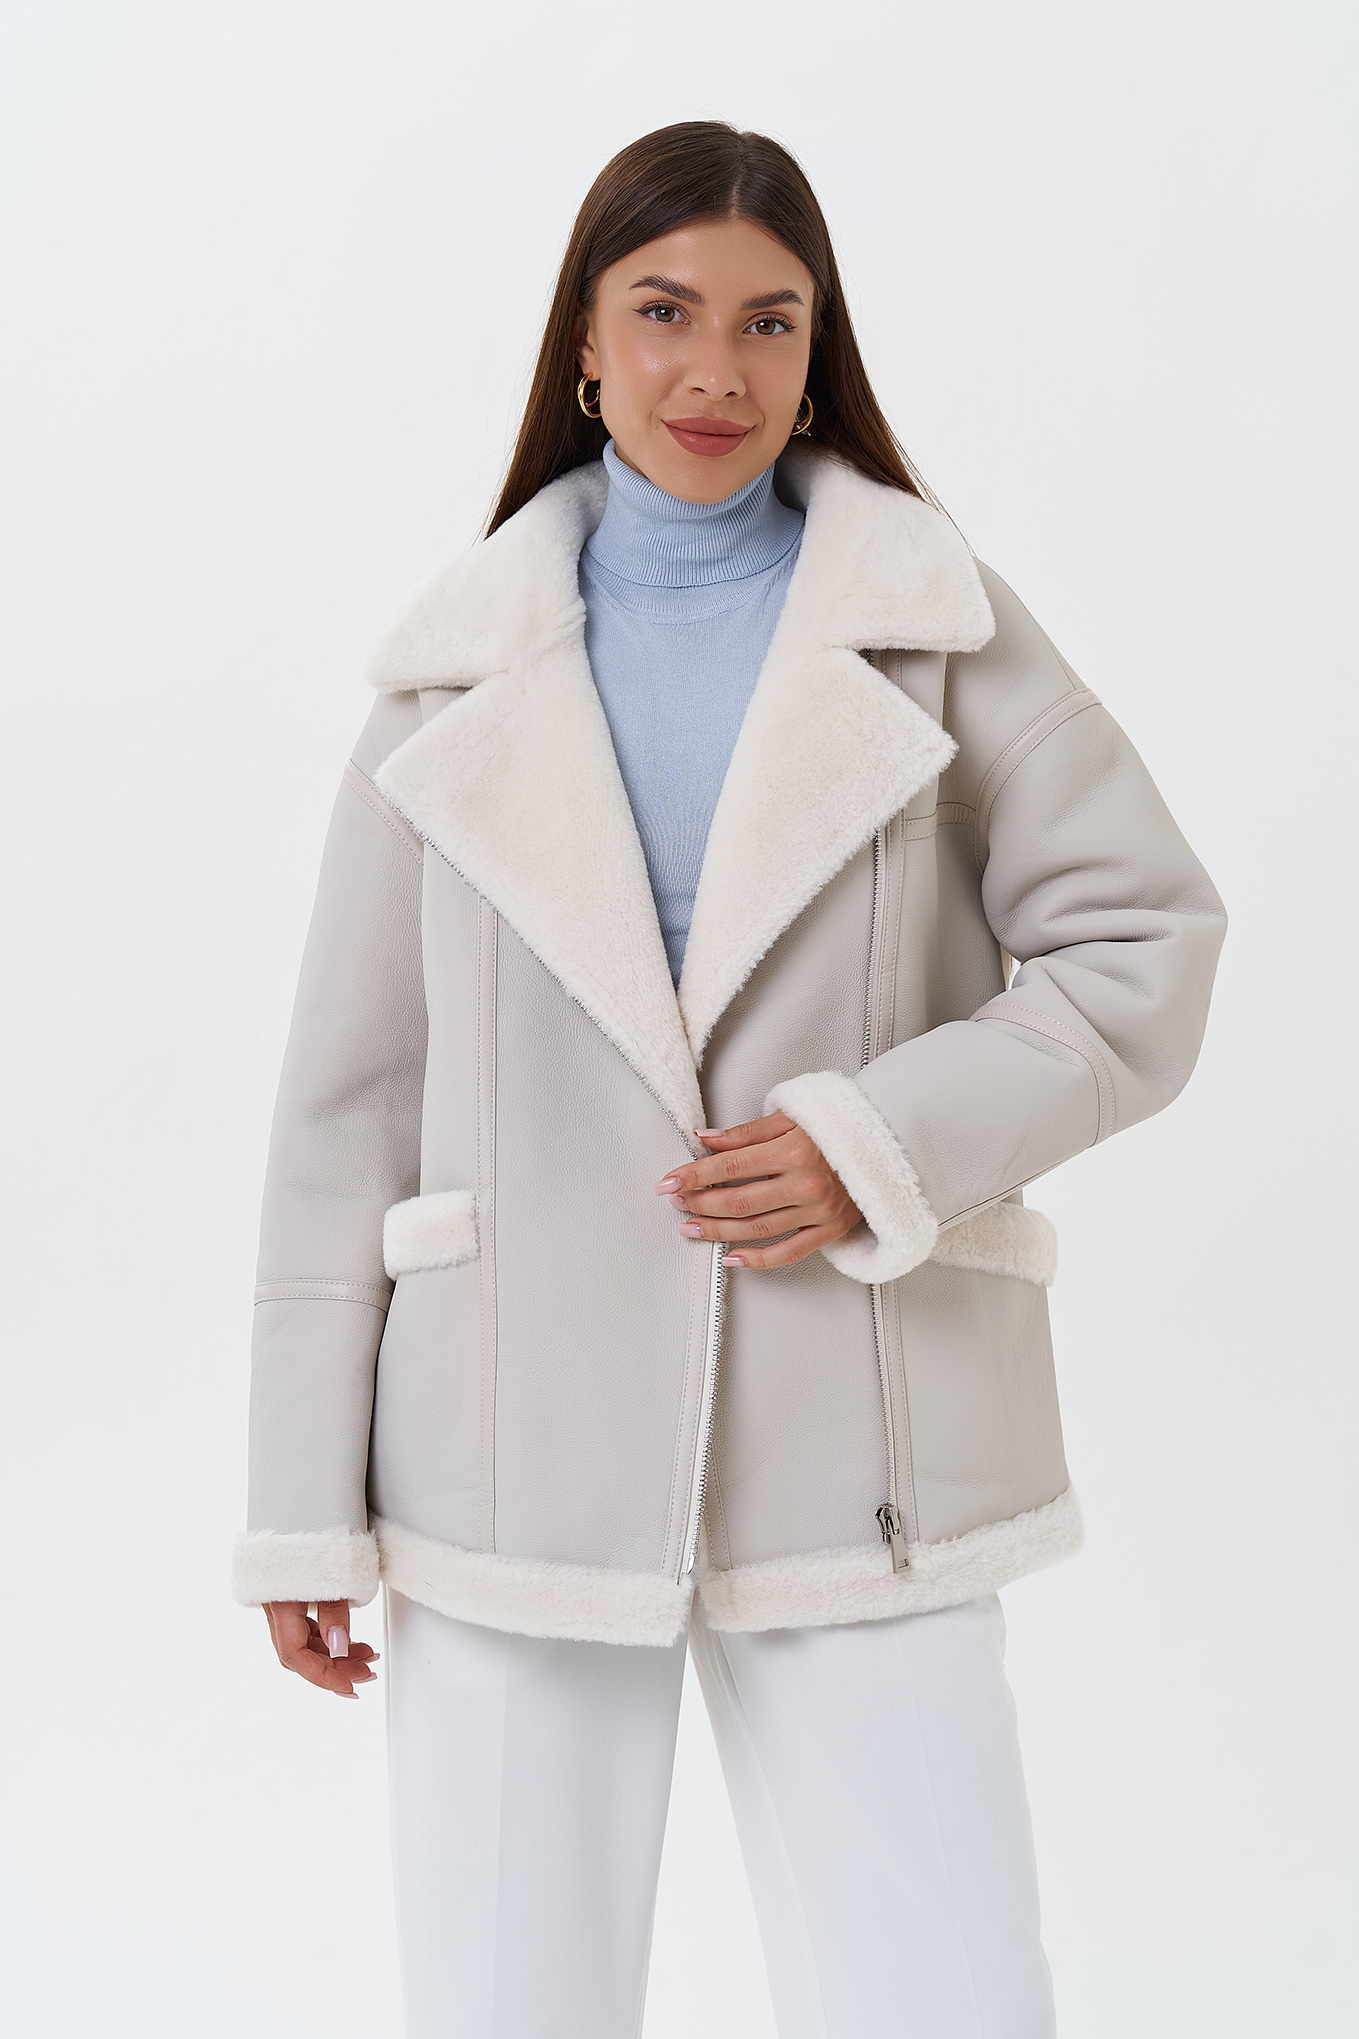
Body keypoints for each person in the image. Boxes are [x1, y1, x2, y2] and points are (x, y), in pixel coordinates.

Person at [234, 121, 1226, 2038]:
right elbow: (347, 1101)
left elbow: (1146, 943)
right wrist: (299, 1500)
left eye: (770, 322)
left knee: (944, 1996)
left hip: (865, 1433)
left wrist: (880, 1144)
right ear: (585, 345)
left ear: (817, 346)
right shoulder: (450, 673)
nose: (717, 370)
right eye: (665, 312)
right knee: (505, 2005)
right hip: (505, 1443)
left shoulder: (940, 626)